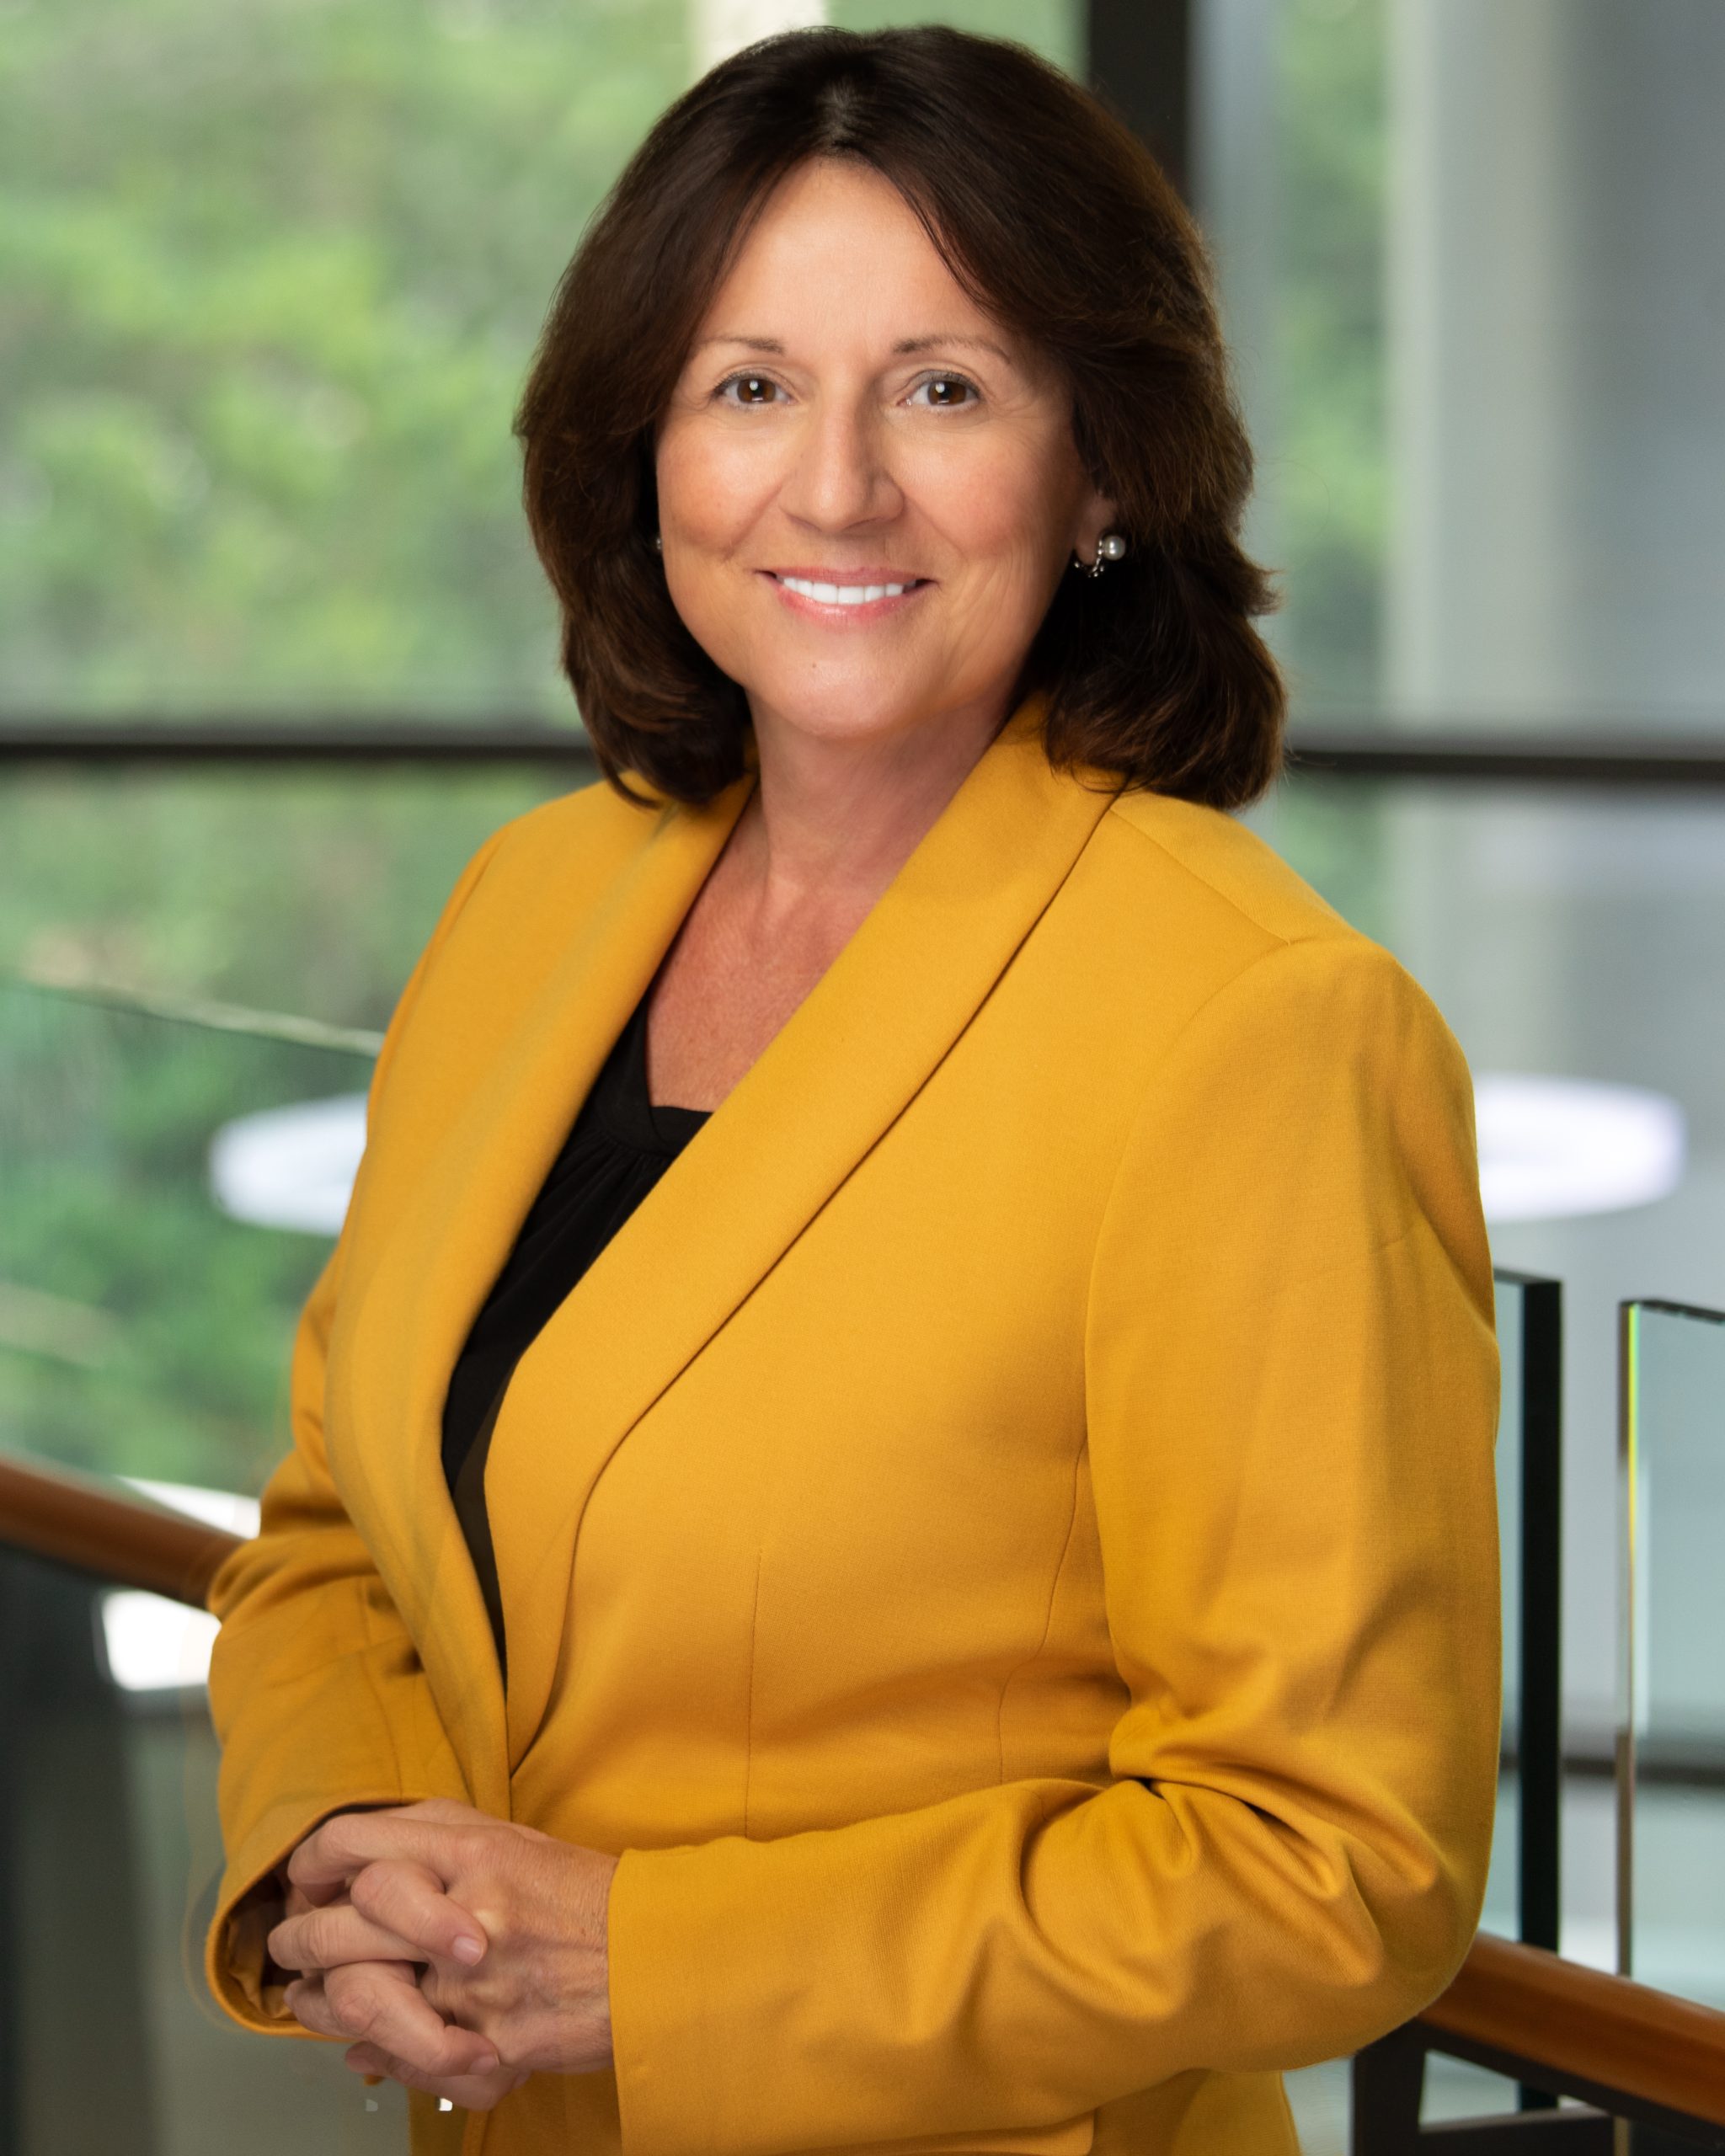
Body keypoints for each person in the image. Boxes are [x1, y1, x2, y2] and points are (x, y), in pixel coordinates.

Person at [203, 26, 1501, 2156]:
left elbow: (1332, 1854)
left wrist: (653, 1961)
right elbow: (338, 1535)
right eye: (748, 384)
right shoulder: (537, 902)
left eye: (945, 387)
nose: (835, 486)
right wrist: (339, 1830)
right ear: (641, 446)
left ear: (1100, 471)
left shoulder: (1254, 1021)